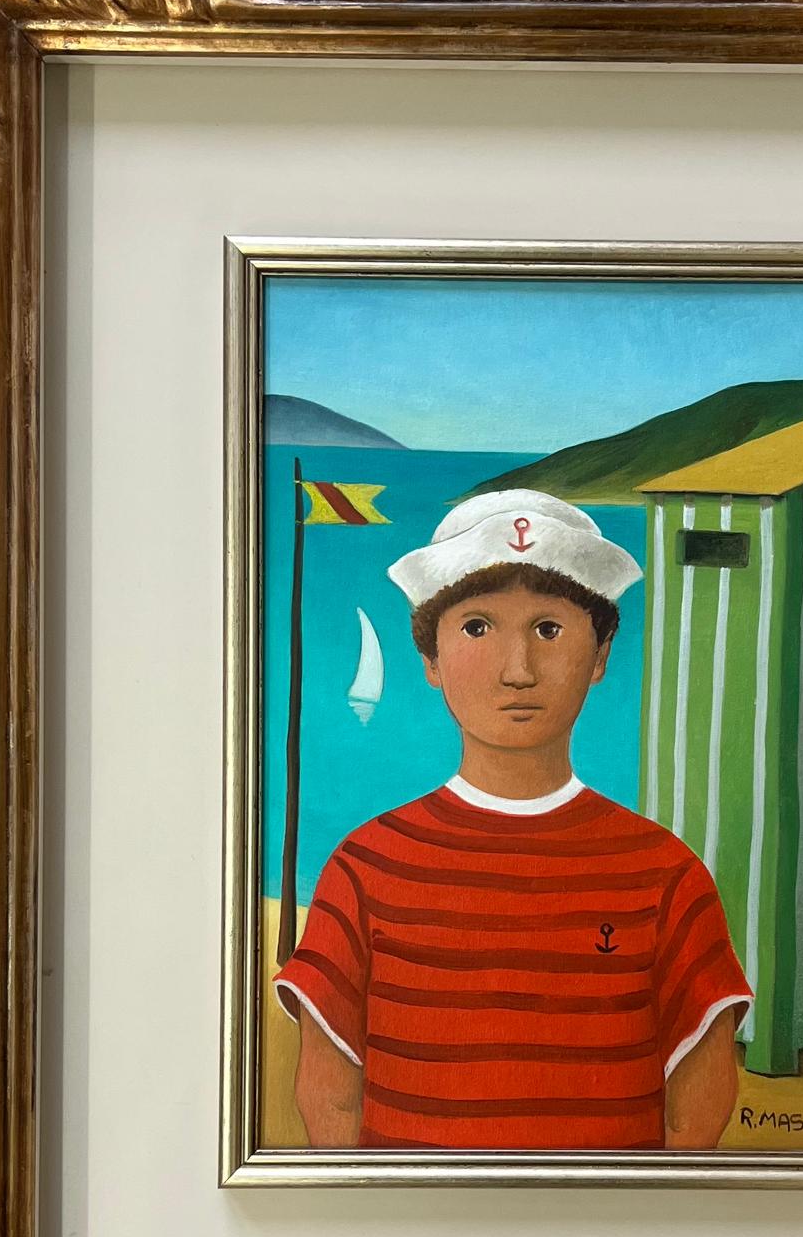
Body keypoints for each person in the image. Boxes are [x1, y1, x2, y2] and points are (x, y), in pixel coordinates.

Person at [273, 490, 752, 1150]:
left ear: (601, 655)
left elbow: (695, 1116)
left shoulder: (667, 875)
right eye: (477, 628)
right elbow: (331, 1104)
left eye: (549, 630)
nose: (518, 670)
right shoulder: (365, 869)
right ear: (431, 659)